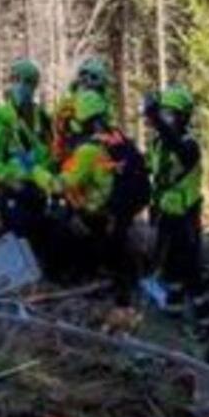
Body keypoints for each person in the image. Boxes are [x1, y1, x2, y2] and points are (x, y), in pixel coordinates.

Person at [56, 88, 150, 295]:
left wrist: (44, 177)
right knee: (116, 239)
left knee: (69, 223)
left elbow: (68, 181)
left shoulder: (89, 147)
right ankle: (124, 277)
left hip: (109, 205)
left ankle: (101, 277)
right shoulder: (116, 135)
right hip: (129, 200)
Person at [143, 84, 209, 336]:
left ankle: (205, 325)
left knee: (191, 271)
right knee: (171, 267)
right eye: (164, 113)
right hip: (165, 214)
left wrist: (155, 119)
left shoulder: (188, 145)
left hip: (186, 217)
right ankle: (173, 312)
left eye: (170, 114)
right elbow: (151, 170)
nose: (166, 119)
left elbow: (180, 152)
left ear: (183, 117)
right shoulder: (158, 144)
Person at [0, 57, 58, 241]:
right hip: (13, 191)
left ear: (34, 86)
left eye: (27, 81)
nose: (21, 86)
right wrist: (11, 181)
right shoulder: (1, 117)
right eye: (16, 80)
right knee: (19, 242)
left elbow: (51, 155)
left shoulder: (42, 117)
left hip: (39, 192)